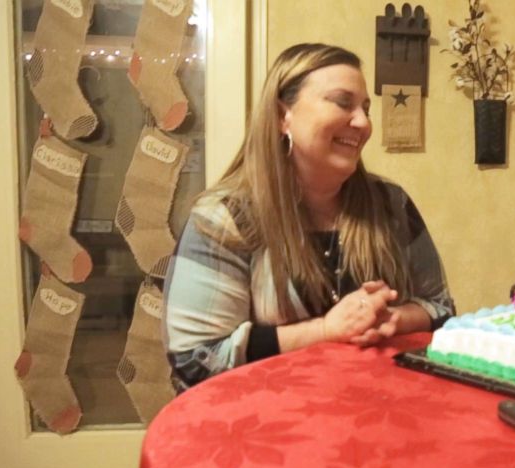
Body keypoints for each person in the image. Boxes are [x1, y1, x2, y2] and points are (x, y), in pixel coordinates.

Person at [162, 43, 455, 387]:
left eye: (365, 108)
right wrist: (326, 331)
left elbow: (443, 310)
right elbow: (195, 360)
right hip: (264, 426)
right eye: (342, 102)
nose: (363, 123)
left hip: (375, 412)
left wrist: (392, 319)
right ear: (281, 116)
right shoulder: (224, 218)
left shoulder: (392, 205)